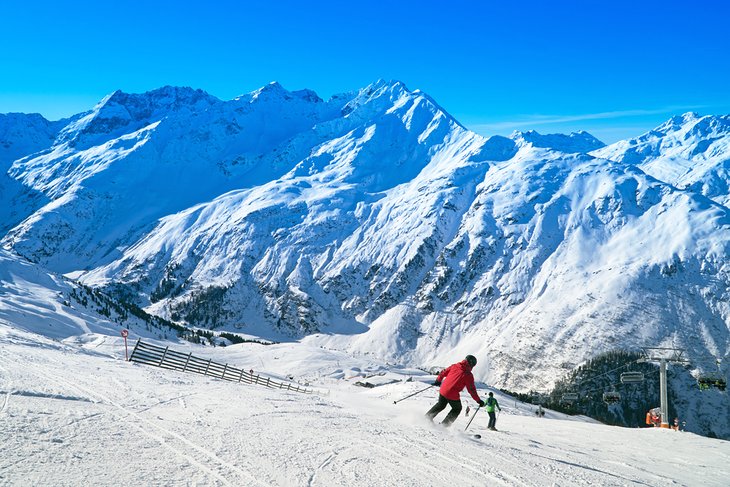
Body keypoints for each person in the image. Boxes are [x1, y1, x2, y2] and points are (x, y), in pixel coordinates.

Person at [425, 355, 484, 427]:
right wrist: (478, 400)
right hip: (452, 393)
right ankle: (444, 426)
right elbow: (472, 390)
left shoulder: (455, 366)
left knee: (441, 405)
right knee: (457, 408)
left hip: (443, 389)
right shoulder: (468, 375)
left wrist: (438, 380)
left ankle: (427, 417)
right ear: (471, 364)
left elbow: (443, 372)